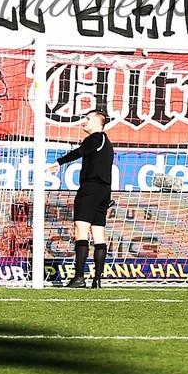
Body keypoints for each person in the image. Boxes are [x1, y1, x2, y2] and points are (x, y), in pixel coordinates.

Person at [55, 108, 114, 288]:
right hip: (104, 191)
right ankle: (97, 280)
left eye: (87, 119)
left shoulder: (95, 138)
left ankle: (79, 277)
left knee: (80, 230)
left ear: (97, 123)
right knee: (98, 235)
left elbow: (79, 152)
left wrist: (57, 163)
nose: (84, 122)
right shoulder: (108, 143)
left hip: (90, 189)